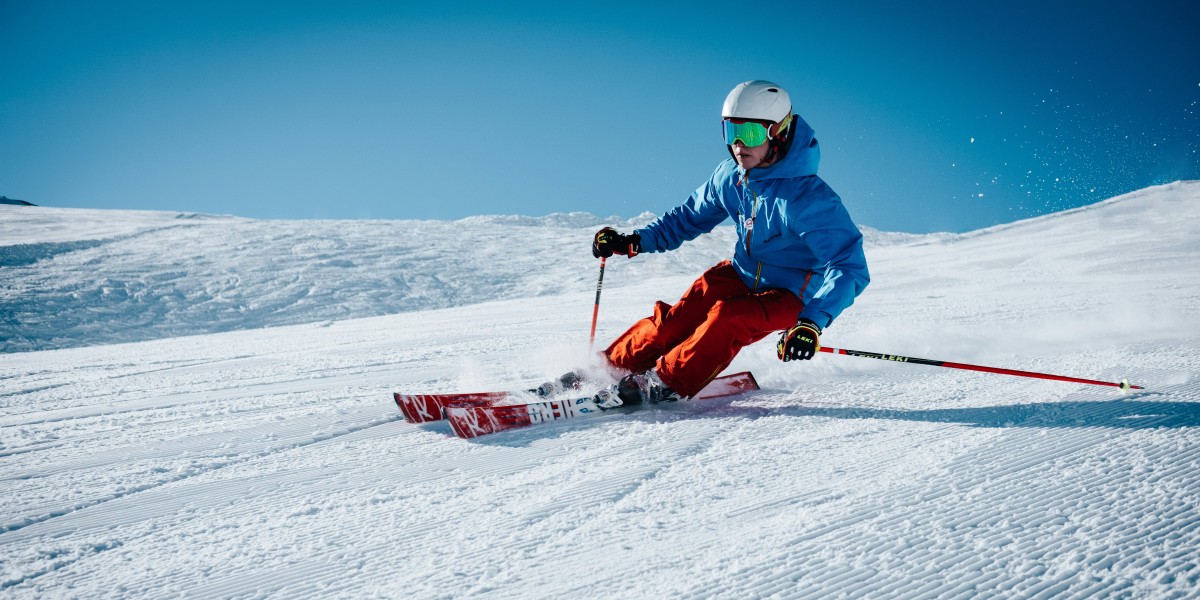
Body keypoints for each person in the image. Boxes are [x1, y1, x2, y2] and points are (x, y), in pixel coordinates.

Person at [591, 80, 869, 406]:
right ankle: (607, 368)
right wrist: (633, 241)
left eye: (749, 133)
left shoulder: (809, 199)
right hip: (740, 274)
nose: (738, 144)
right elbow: (685, 219)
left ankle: (664, 382)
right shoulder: (730, 176)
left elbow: (848, 266)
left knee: (729, 317)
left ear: (777, 133)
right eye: (730, 132)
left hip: (792, 295)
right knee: (676, 321)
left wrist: (812, 322)